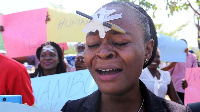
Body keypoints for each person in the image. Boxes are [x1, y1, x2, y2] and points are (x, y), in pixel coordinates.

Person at [61, 1, 190, 112]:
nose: (103, 52)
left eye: (120, 42)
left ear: (148, 49)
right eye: (93, 44)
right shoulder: (70, 109)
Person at [162, 39, 198, 104]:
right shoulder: (174, 57)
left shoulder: (193, 57)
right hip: (177, 89)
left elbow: (195, 73)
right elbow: (167, 71)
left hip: (189, 89)